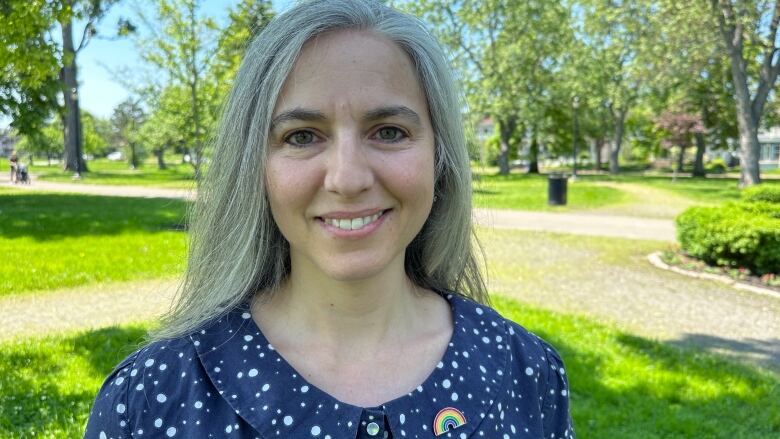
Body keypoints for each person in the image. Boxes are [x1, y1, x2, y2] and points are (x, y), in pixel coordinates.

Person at [84, 1, 574, 438]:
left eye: (388, 131)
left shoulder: (526, 372)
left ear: (440, 158)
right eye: (301, 136)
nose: (347, 178)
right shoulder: (149, 401)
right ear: (255, 167)